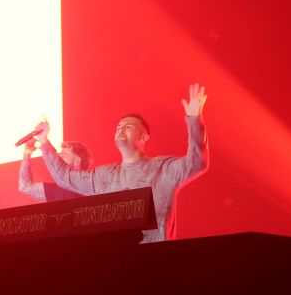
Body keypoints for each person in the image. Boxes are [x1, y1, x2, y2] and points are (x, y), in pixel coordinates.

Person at [33, 83, 209, 243]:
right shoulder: (103, 176)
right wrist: (44, 142)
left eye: (128, 127)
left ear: (143, 137)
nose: (121, 130)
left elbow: (196, 162)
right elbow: (65, 177)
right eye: (118, 127)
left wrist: (194, 120)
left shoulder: (162, 168)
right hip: (115, 261)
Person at [18, 140, 93, 202]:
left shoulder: (93, 186)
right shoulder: (54, 190)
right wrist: (27, 152)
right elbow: (25, 187)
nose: (58, 159)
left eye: (63, 156)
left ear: (77, 161)